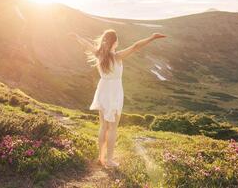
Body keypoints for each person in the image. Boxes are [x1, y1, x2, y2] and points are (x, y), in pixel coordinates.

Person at [68, 29, 166, 168]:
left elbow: (86, 44)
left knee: (103, 126)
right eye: (117, 40)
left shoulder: (99, 54)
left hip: (102, 90)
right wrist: (152, 38)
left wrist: (77, 36)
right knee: (112, 128)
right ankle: (109, 160)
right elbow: (135, 46)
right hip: (114, 92)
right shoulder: (117, 56)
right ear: (114, 42)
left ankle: (101, 158)